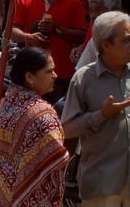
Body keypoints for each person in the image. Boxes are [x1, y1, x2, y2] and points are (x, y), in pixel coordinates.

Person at [62, 11, 130, 206]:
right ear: (106, 45)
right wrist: (101, 115)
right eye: (126, 40)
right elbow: (67, 128)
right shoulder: (84, 79)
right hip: (101, 183)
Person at [0, 47, 69, 207]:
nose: (55, 76)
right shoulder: (43, 115)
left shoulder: (7, 104)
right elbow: (56, 158)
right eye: (49, 71)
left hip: (3, 190)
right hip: (33, 197)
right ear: (29, 77)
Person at [12, 0, 86, 104]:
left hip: (61, 75)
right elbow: (12, 32)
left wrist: (57, 29)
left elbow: (81, 36)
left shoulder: (74, 4)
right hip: (31, 74)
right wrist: (28, 37)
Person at [74, 0, 123, 70]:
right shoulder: (95, 40)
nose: (93, 16)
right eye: (91, 11)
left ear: (115, 10)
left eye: (99, 10)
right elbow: (81, 71)